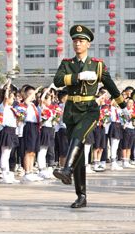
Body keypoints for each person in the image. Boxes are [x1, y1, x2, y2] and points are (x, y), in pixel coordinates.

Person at [53, 24, 125, 208]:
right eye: (75, 41)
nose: (78, 44)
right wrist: (78, 77)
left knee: (78, 137)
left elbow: (110, 84)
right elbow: (58, 81)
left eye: (81, 41)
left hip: (90, 109)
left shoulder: (97, 65)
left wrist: (123, 104)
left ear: (88, 44)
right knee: (77, 155)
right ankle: (81, 195)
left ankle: (66, 169)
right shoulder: (67, 63)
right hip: (71, 110)